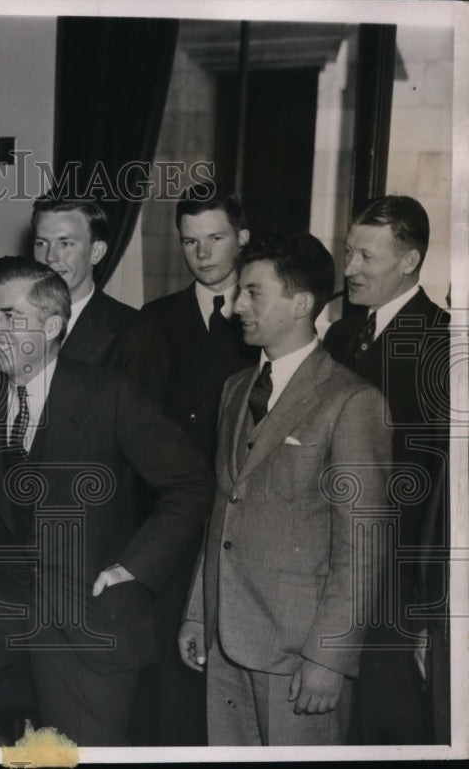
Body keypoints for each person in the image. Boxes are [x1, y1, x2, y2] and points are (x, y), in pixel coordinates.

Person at [0, 256, 213, 746]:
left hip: (87, 600)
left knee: (74, 754)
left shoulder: (111, 395)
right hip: (4, 593)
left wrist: (134, 566)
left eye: (9, 317)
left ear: (54, 325)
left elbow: (191, 483)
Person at [179, 232, 391, 746]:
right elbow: (224, 509)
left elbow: (363, 546)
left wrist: (329, 658)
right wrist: (195, 613)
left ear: (299, 303)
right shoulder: (235, 389)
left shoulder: (350, 401)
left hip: (298, 656)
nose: (235, 307)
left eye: (253, 292)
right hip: (226, 640)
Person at [120, 190, 258, 745]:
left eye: (216, 238)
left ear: (242, 237)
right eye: (190, 242)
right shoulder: (155, 322)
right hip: (174, 519)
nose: (202, 253)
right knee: (170, 666)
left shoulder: (263, 318)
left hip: (240, 520)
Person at [323, 195, 451, 744]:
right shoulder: (340, 335)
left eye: (365, 257)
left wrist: (426, 606)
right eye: (348, 252)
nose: (349, 268)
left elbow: (441, 493)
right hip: (329, 562)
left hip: (395, 582)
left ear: (408, 261)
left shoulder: (443, 344)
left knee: (383, 726)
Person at [31, 197, 139, 368]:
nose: (50, 256)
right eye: (41, 243)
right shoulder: (10, 318)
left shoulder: (133, 330)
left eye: (65, 243)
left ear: (96, 252)